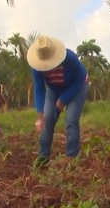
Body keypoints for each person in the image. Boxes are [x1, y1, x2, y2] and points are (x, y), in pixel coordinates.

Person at [27, 35, 88, 166]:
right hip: (54, 89)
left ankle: (71, 157)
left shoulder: (70, 58)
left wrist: (62, 101)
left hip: (77, 87)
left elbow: (80, 80)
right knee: (48, 117)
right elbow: (39, 89)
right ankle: (43, 156)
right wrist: (40, 115)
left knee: (71, 120)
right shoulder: (37, 67)